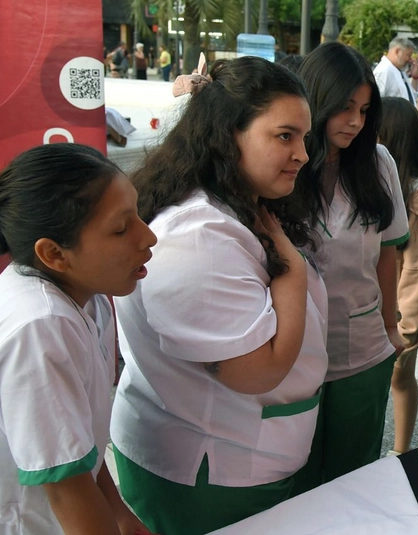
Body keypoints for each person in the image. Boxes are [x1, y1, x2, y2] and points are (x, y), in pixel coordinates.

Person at [110, 56, 329, 535]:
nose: (303, 155)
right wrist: (289, 270)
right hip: (209, 472)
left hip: (239, 452)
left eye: (305, 138)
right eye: (285, 136)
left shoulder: (234, 204)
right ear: (230, 133)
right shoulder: (196, 237)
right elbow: (261, 369)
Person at [0, 143, 155, 535]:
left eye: (137, 215)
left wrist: (119, 512)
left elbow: (80, 443)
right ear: (54, 254)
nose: (148, 236)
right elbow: (65, 485)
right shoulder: (40, 328)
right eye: (121, 228)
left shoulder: (90, 297)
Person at [291, 42, 410, 485]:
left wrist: (391, 325)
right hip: (291, 348)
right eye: (344, 108)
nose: (356, 122)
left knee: (352, 475)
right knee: (295, 476)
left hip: (361, 347)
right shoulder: (285, 164)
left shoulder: (377, 163)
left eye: (364, 110)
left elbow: (389, 253)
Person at [378, 97, 418, 455]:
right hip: (380, 307)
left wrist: (406, 325)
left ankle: (400, 452)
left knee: (399, 380)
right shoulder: (387, 180)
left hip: (399, 312)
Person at [373, 37, 416, 103]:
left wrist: (415, 76)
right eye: (408, 55)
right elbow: (376, 101)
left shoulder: (399, 71)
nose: (409, 60)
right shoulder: (384, 71)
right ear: (397, 51)